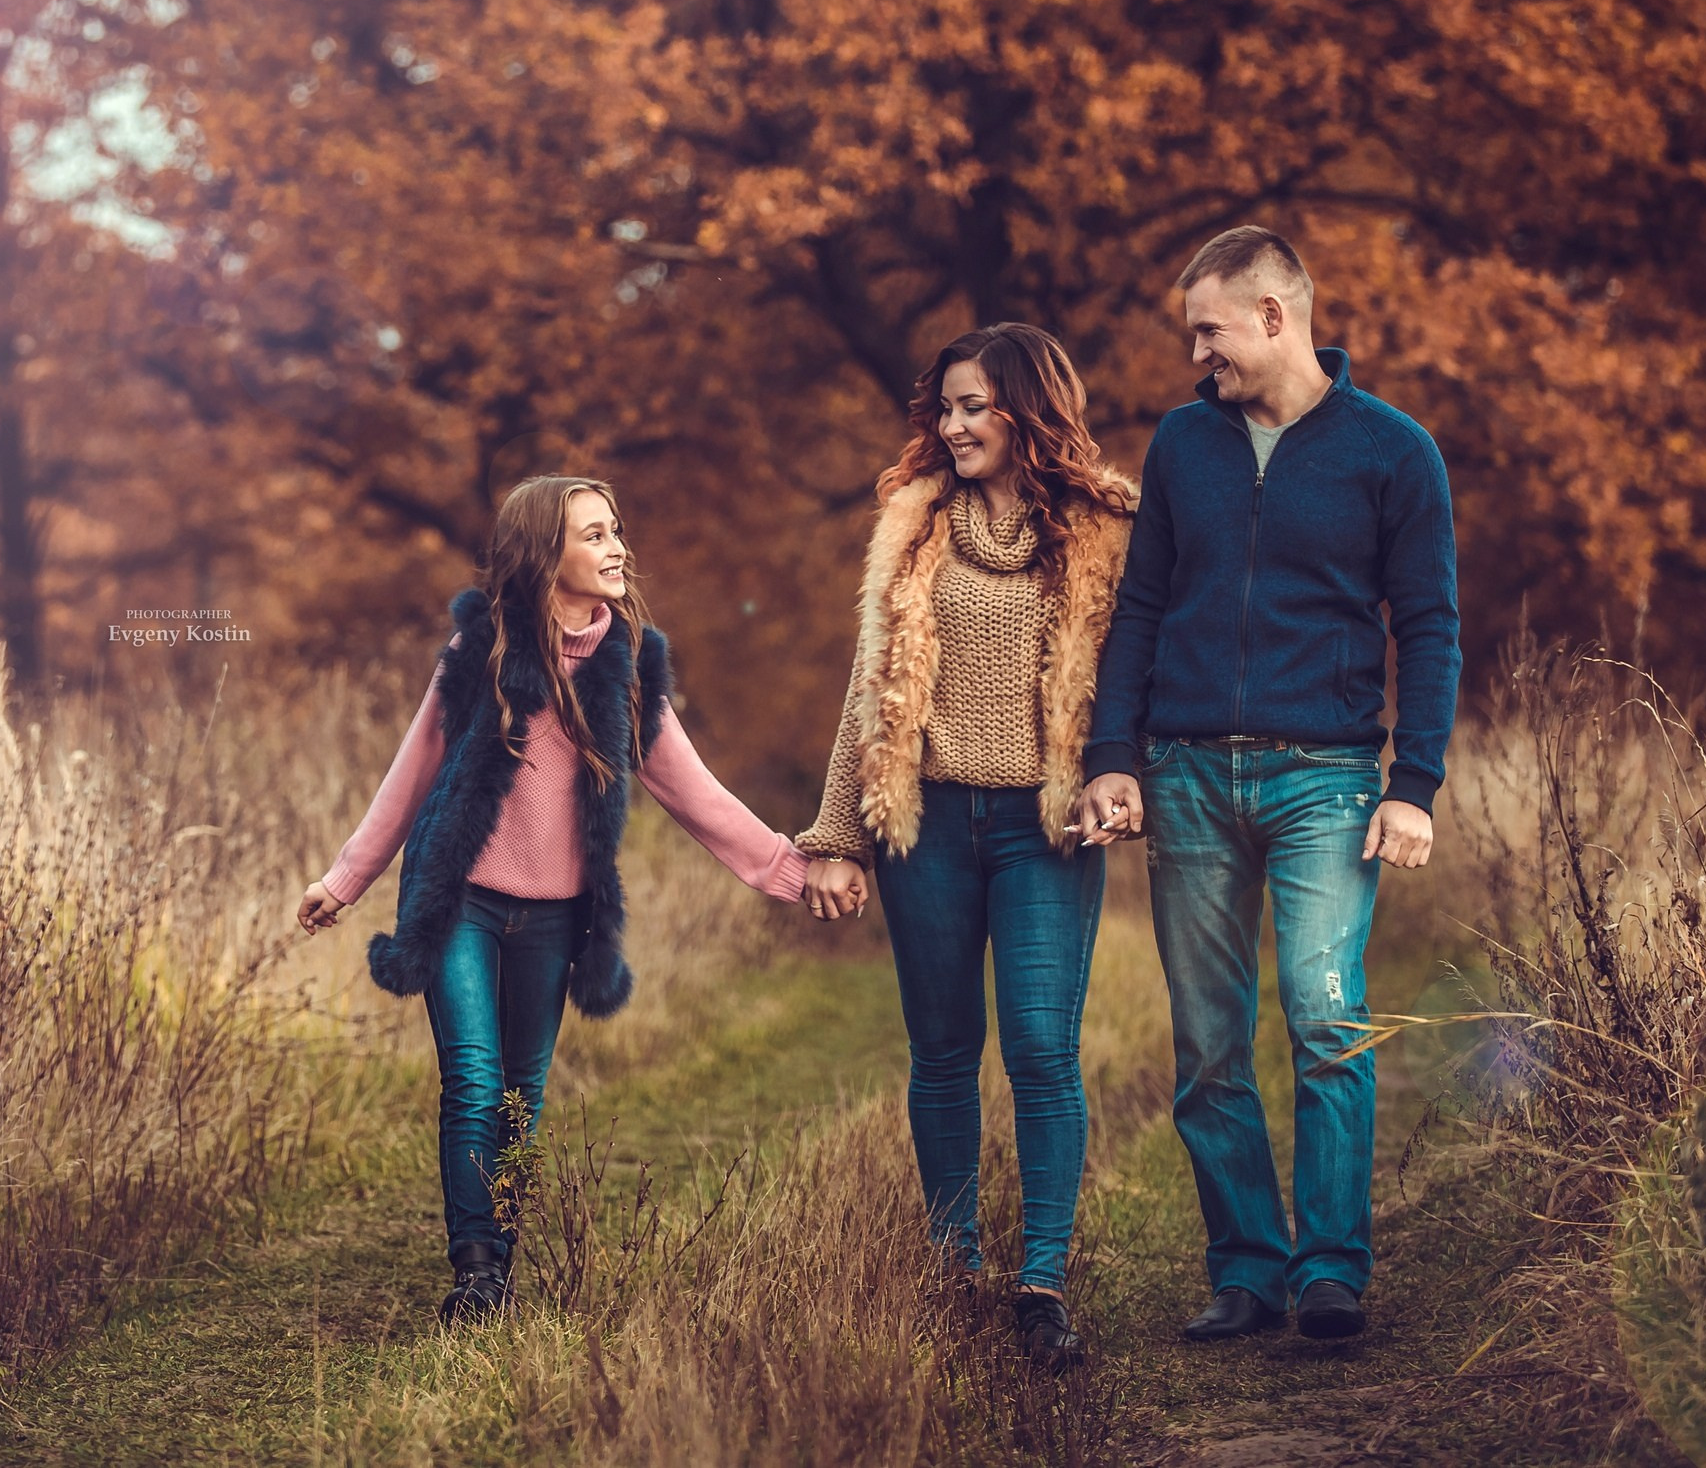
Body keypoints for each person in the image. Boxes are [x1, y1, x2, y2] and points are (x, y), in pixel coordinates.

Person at [299, 474, 839, 1324]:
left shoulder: (627, 674)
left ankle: (501, 1262)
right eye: (595, 534)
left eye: (616, 530)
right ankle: (476, 1275)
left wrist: (791, 868)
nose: (618, 546)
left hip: (556, 917)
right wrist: (345, 878)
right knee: (473, 1080)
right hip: (459, 900)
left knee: (522, 1092)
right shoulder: (478, 654)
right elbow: (412, 776)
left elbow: (695, 792)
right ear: (545, 552)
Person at [1082, 227, 1460, 1344]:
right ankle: (1245, 1267)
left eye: (1208, 331)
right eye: (1191, 334)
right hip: (1188, 774)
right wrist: (1114, 755)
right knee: (1206, 1040)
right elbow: (1141, 608)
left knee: (1325, 1017)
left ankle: (1330, 1269)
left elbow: (1429, 625)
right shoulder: (1181, 445)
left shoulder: (1394, 452)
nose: (1197, 354)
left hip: (1329, 783)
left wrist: (1416, 784)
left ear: (1273, 317)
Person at [798, 324, 1136, 1372]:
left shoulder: (1106, 530)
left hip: (1046, 831)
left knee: (1039, 1048)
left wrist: (1127, 788)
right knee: (942, 1051)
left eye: (972, 407)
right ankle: (953, 1266)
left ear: (1027, 409)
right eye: (941, 408)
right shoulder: (911, 522)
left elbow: (1135, 685)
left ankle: (1041, 1279)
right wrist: (836, 835)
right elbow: (871, 683)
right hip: (927, 824)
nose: (950, 427)